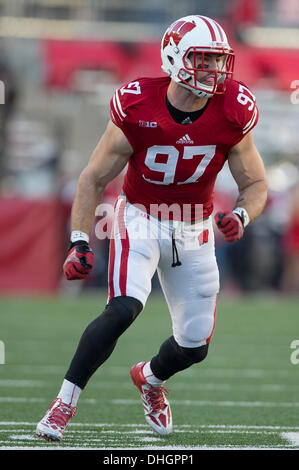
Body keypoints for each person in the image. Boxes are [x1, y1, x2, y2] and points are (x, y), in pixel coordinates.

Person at [35, 15, 268, 441]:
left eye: (219, 61)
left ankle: (150, 380)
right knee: (124, 307)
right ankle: (64, 402)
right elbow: (92, 177)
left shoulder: (234, 107)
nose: (215, 71)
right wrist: (80, 240)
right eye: (204, 60)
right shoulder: (139, 103)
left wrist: (241, 216)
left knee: (195, 346)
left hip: (194, 228)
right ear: (174, 57)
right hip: (140, 216)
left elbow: (254, 182)